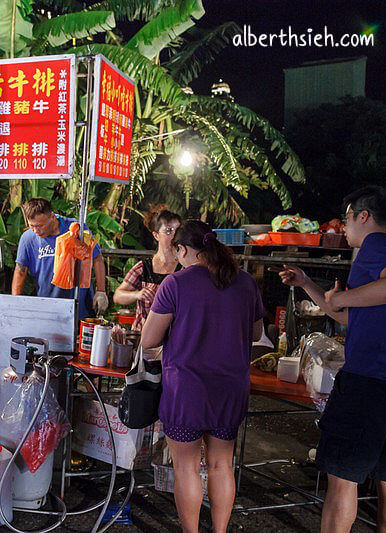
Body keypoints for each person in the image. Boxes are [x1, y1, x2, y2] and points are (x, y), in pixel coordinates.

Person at [279, 186, 386, 533]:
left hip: (369, 379)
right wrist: (308, 283)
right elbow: (348, 317)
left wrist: (344, 298)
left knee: (342, 478)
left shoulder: (377, 246)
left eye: (346, 219)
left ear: (363, 216)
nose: (343, 227)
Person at [141, 220, 264, 533]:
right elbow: (256, 332)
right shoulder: (245, 282)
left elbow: (149, 340)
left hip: (188, 391)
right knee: (222, 465)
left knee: (186, 468)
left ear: (183, 249)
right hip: (230, 388)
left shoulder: (176, 283)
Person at [12, 198, 107, 318]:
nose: (36, 231)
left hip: (79, 303)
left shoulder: (77, 229)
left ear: (52, 216)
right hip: (47, 305)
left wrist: (101, 291)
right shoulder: (28, 238)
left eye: (40, 226)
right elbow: (20, 270)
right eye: (32, 226)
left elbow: (97, 258)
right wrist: (15, 303)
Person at [113, 206, 182, 330]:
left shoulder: (184, 268)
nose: (174, 235)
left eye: (177, 231)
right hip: (143, 333)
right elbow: (117, 296)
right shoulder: (144, 267)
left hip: (174, 335)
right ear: (156, 235)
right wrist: (137, 294)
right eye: (168, 231)